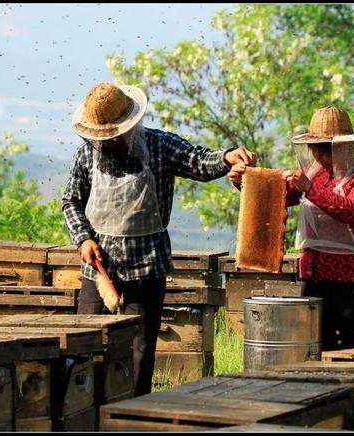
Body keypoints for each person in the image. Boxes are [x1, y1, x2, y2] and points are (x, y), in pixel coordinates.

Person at [62, 82, 256, 395]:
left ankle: (132, 419)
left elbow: (197, 161)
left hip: (147, 268)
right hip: (100, 272)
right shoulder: (86, 155)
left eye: (113, 135)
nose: (108, 141)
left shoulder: (160, 145)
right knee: (87, 348)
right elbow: (70, 200)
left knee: (140, 354)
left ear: (130, 123)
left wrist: (226, 158)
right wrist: (83, 239)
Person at [281, 106, 354, 351]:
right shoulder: (315, 173)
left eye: (325, 150)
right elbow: (280, 197)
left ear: (346, 146)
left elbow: (351, 210)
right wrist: (246, 181)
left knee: (343, 353)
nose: (319, 157)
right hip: (313, 278)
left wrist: (310, 189)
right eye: (314, 150)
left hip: (351, 284)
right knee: (310, 352)